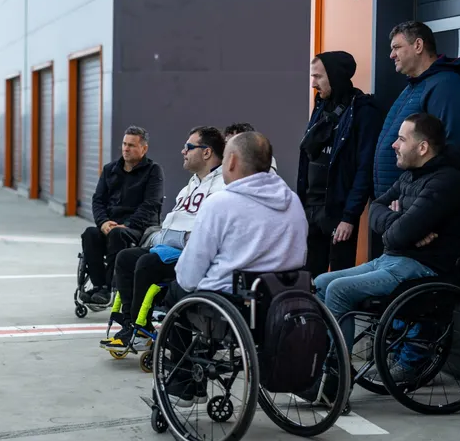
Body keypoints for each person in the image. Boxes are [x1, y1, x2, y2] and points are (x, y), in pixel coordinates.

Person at [314, 112, 460, 383]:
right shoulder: (411, 176)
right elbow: (376, 207)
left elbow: (396, 236)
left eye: (401, 139)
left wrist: (400, 227)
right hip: (394, 259)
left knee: (339, 290)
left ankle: (336, 378)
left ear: (422, 147)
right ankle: (328, 363)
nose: (394, 145)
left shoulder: (446, 182)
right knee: (321, 282)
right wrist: (401, 220)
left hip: (423, 268)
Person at [160, 130, 308, 405]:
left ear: (232, 161)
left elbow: (189, 275)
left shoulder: (220, 204)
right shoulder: (292, 200)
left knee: (175, 293)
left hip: (231, 304)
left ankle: (184, 385)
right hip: (283, 300)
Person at [101, 126, 226, 350]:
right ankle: (132, 325)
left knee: (147, 263)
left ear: (206, 152)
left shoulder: (221, 186)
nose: (183, 151)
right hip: (169, 246)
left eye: (188, 147)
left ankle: (140, 330)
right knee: (125, 258)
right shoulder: (192, 184)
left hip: (192, 255)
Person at [296, 51, 383, 277]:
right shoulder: (321, 106)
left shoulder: (363, 110)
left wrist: (349, 217)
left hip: (337, 213)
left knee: (338, 278)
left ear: (335, 76)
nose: (313, 84)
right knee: (308, 278)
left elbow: (365, 169)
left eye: (318, 77)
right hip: (310, 209)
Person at [374, 21, 460, 204]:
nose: (391, 55)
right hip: (400, 205)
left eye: (396, 47)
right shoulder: (414, 87)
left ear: (418, 45)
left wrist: (418, 204)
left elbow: (454, 150)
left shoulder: (446, 86)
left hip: (415, 207)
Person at [79, 125, 164, 305]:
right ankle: (100, 286)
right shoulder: (110, 170)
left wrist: (127, 224)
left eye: (131, 145)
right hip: (110, 225)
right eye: (124, 144)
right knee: (90, 234)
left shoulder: (153, 171)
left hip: (139, 228)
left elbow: (151, 204)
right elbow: (98, 200)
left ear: (144, 148)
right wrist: (103, 222)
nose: (126, 148)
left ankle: (111, 288)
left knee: (118, 234)